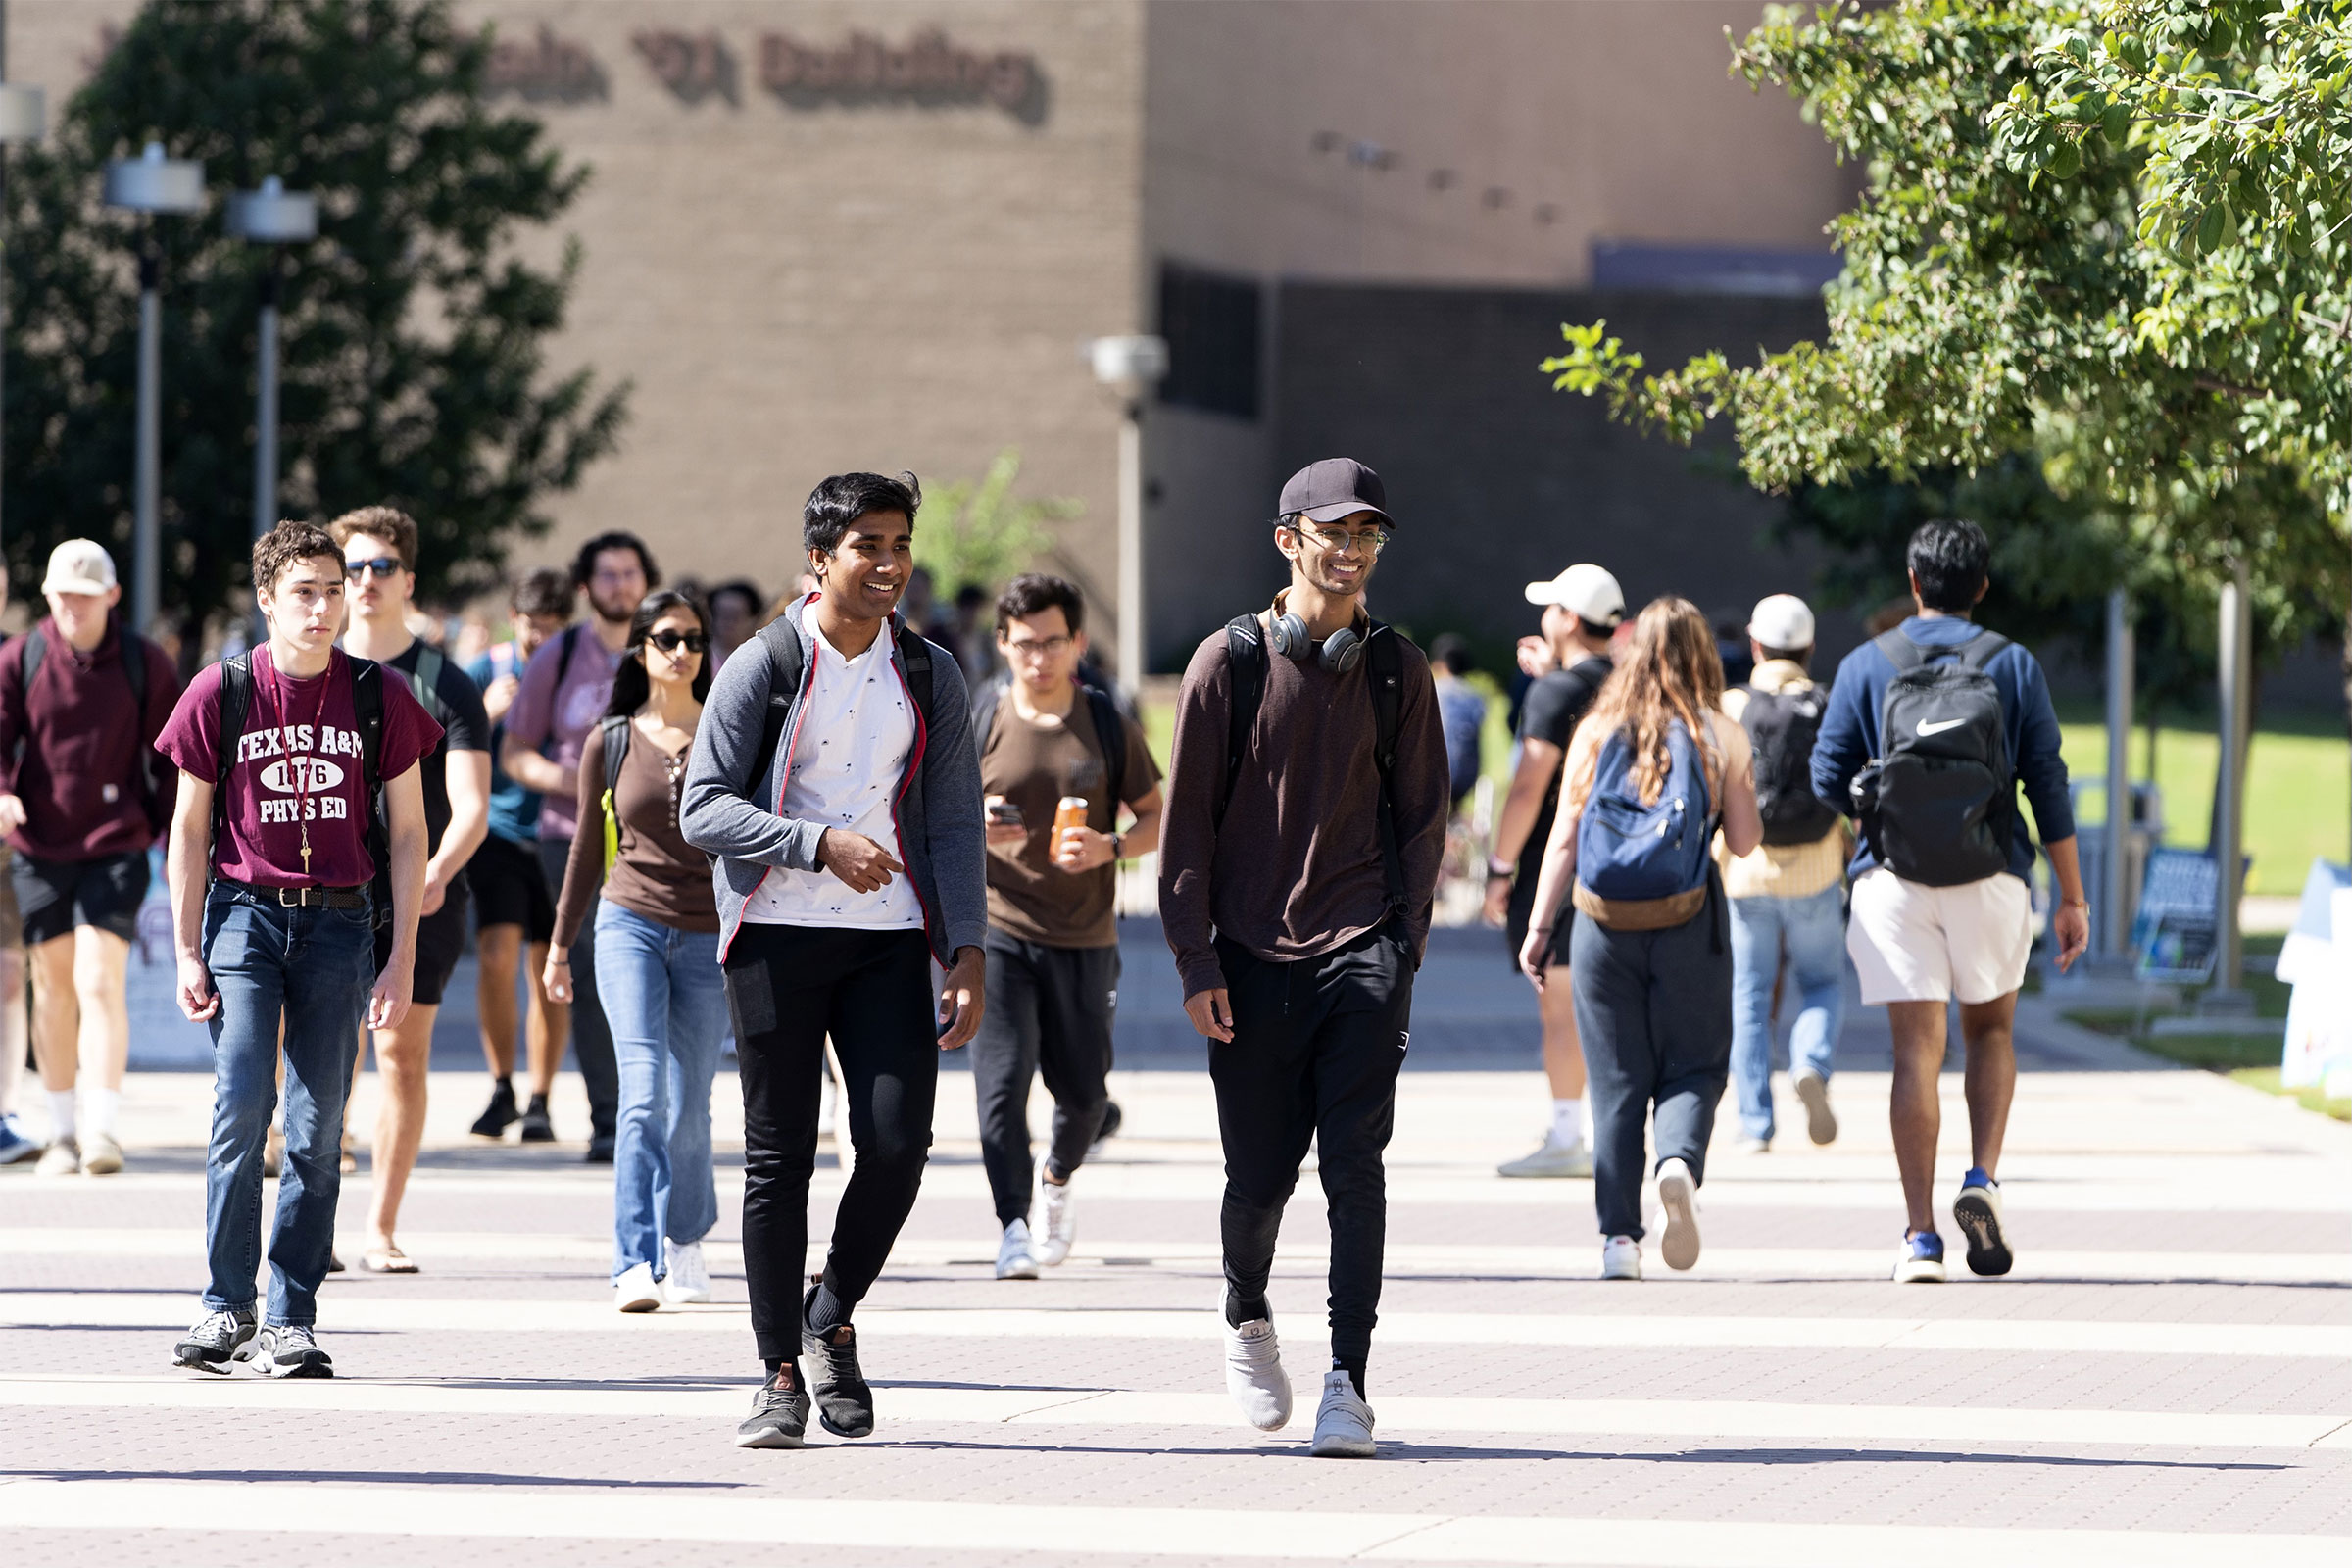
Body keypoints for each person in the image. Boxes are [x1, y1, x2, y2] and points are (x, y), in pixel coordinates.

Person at [681, 470, 986, 1451]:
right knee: (779, 1157)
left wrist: (968, 945)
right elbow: (701, 807)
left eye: (901, 544)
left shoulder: (931, 672)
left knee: (897, 1143)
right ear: (819, 558)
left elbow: (951, 821)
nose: (890, 564)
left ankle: (832, 1309)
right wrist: (815, 843)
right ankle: (777, 1372)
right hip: (774, 934)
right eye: (869, 545)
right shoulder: (761, 665)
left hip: (891, 939)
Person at [1160, 457, 1448, 1460]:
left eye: (1369, 533)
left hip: (1362, 949)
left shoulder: (1394, 668)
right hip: (1248, 958)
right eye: (1336, 532)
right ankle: (1247, 1310)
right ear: (1289, 539)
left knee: (1355, 1167)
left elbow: (1423, 815)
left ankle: (1349, 1383)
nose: (1354, 550)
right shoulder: (1225, 665)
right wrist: (1196, 961)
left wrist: (1403, 945)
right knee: (1259, 1177)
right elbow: (1186, 827)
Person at [159, 520, 437, 1377]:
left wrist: (401, 958)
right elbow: (189, 829)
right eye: (305, 592)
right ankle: (223, 1306)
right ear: (269, 602)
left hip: (341, 925)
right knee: (243, 1107)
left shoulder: (378, 695)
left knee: (319, 1131)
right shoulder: (223, 690)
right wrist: (185, 949)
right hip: (245, 917)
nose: (325, 606)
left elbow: (409, 835)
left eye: (334, 588)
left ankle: (290, 1315)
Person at [1812, 518, 2088, 1284]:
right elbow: (2048, 782)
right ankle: (1982, 1179)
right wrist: (2072, 895)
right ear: (1982, 587)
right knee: (1992, 1031)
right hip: (1993, 874)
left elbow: (1825, 774)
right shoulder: (2014, 664)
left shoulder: (1869, 663)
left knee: (1915, 1053)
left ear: (1912, 584)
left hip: (1893, 880)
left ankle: (1920, 1239)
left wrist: (1879, 810)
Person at [1519, 597, 1761, 1283]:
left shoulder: (1597, 729)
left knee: (1617, 1083)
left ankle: (1619, 1242)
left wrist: (1540, 928)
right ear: (1703, 656)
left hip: (1600, 927)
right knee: (1694, 1066)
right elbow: (1743, 842)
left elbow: (1564, 836)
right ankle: (1679, 1161)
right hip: (1690, 922)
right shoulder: (1720, 731)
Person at [971, 573, 1162, 1280]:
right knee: (1000, 1091)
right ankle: (1014, 1226)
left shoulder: (1106, 722)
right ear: (1003, 644)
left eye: (1054, 642)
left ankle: (1056, 1179)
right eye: (1025, 643)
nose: (1039, 657)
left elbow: (1154, 817)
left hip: (1085, 937)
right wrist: (974, 825)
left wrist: (1111, 847)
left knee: (1083, 1096)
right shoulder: (983, 718)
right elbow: (931, 814)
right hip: (997, 930)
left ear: (1078, 642)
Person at [546, 589, 726, 1312]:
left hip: (712, 933)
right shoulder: (612, 739)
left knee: (692, 1108)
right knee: (644, 1091)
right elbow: (587, 847)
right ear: (642, 650)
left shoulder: (729, 731)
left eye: (692, 639)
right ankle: (632, 1257)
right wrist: (561, 944)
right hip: (630, 925)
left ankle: (685, 1239)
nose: (680, 651)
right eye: (665, 639)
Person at [331, 508, 492, 1271]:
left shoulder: (443, 682)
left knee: (400, 1055)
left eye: (381, 568)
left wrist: (436, 870)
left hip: (419, 891)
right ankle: (313, 1221)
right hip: (321, 889)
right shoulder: (307, 667)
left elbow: (472, 809)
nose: (365, 582)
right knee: (323, 1054)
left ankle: (380, 1228)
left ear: (408, 581)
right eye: (352, 568)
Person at [0, 540, 179, 1177]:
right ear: (48, 597)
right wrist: (3, 795)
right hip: (38, 846)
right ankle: (60, 1132)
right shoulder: (22, 658)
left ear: (111, 595)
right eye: (62, 595)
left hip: (115, 843)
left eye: (85, 593)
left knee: (98, 981)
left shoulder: (144, 662)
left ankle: (102, 1129)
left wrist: (166, 830)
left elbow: (173, 757)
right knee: (51, 988)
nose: (73, 605)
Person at [503, 531, 658, 1162]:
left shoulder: (670, 647)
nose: (621, 584)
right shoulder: (561, 655)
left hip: (659, 841)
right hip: (571, 840)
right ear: (586, 587)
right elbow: (514, 753)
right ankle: (609, 1120)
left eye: (630, 573)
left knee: (654, 975)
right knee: (594, 974)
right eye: (608, 575)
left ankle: (653, 1111)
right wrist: (573, 780)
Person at [1481, 564, 1621, 1179]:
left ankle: (1569, 1136)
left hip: (1555, 872)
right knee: (1612, 1007)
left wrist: (1498, 867)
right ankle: (1616, 1134)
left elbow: (1528, 786)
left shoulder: (1556, 693)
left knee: (1560, 1008)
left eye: (1550, 608)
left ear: (1566, 618)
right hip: (1627, 868)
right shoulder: (1624, 683)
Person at [1719, 593, 1850, 1154]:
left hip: (1747, 873)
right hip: (1818, 869)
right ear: (1811, 646)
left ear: (1755, 644)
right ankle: (1811, 1063)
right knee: (1821, 982)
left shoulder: (1729, 706)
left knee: (1749, 996)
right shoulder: (1830, 703)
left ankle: (1755, 1124)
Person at [466, 567, 575, 1143]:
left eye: (553, 630)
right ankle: (501, 1084)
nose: (541, 641)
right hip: (498, 832)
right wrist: (484, 711)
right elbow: (437, 741)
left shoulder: (576, 674)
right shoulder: (489, 670)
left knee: (546, 968)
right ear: (514, 621)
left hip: (562, 834)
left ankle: (540, 1097)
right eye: (533, 629)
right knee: (496, 952)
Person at [1426, 634, 1486, 813]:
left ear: (1440, 664)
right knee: (1454, 819)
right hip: (1467, 774)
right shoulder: (1475, 697)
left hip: (1435, 770)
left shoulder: (1434, 689)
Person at [707, 578, 765, 671]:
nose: (728, 623)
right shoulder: (701, 659)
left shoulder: (763, 659)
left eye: (735, 616)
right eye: (723, 615)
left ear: (753, 619)